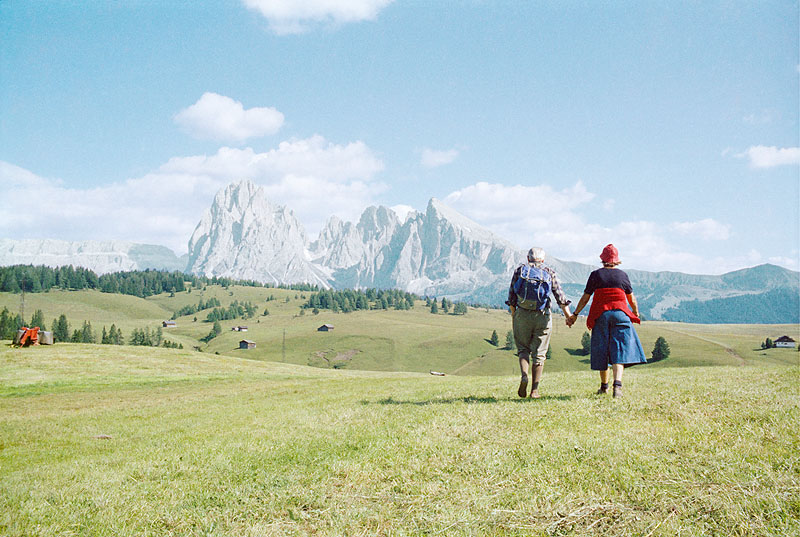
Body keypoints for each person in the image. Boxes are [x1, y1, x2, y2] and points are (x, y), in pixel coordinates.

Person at [567, 244, 646, 398]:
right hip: (621, 315)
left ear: (602, 259)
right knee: (619, 350)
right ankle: (618, 386)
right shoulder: (623, 276)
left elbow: (585, 298)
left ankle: (604, 387)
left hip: (601, 315)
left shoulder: (596, 275)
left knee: (603, 350)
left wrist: (575, 314)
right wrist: (635, 313)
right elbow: (632, 299)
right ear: (617, 261)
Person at [507, 247, 573, 399]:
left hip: (522, 313)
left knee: (523, 349)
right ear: (542, 260)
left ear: (528, 258)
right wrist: (568, 316)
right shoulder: (549, 272)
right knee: (540, 353)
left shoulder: (519, 271)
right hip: (542, 315)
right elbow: (560, 296)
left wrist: (514, 315)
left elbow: (511, 295)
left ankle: (524, 376)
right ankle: (534, 391)